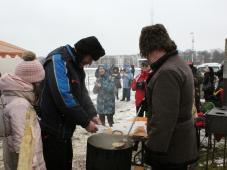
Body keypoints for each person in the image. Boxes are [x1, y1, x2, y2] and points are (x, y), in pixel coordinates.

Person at [38, 36, 105, 170]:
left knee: (66, 164)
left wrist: (92, 114)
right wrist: (85, 122)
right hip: (52, 130)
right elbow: (63, 97)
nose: (90, 63)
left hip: (65, 130)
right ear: (83, 53)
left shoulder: (76, 66)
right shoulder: (58, 60)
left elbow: (82, 94)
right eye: (90, 59)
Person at [139, 24, 198, 170]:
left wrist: (152, 149)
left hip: (171, 149)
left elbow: (164, 118)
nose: (147, 59)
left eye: (147, 54)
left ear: (153, 49)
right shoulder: (178, 62)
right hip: (180, 144)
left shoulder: (167, 72)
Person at [0, 51, 46, 170]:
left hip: (14, 159)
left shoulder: (11, 95)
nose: (41, 85)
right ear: (33, 82)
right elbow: (23, 145)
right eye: (40, 81)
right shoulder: (20, 105)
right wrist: (34, 166)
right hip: (26, 164)